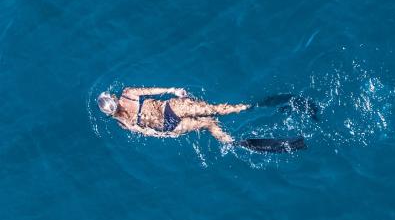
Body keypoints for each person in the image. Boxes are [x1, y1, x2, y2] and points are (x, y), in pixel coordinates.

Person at [97, 86, 306, 152]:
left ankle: (233, 143)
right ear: (112, 98)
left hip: (169, 125)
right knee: (220, 110)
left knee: (209, 123)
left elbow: (148, 132)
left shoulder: (122, 123)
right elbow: (154, 89)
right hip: (171, 107)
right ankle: (253, 106)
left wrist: (170, 133)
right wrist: (173, 90)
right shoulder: (127, 93)